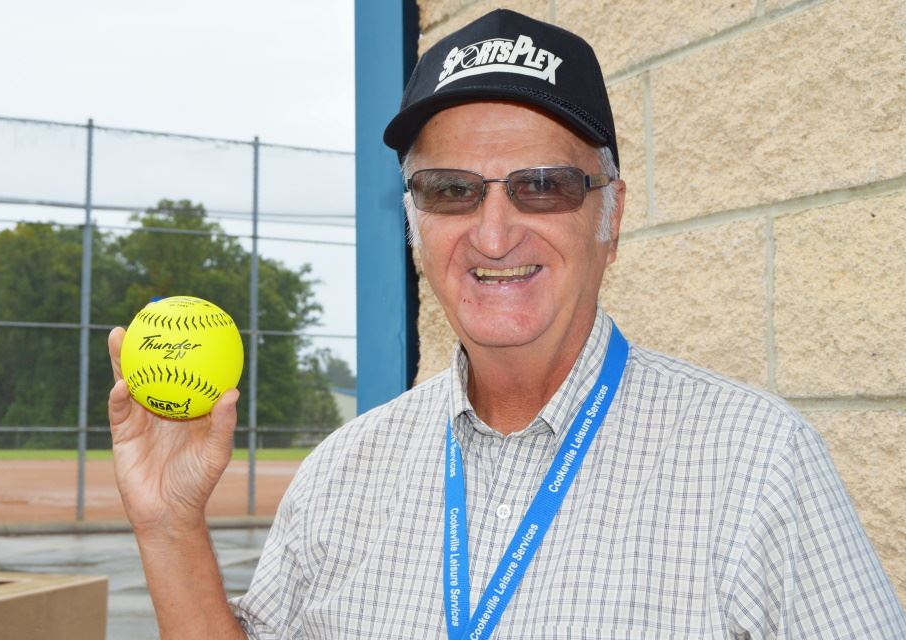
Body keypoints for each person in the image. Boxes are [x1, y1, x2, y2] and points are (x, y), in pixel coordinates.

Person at [107, 9, 906, 639]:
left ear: (611, 217)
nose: (492, 234)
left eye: (545, 186)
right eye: (451, 189)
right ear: (415, 224)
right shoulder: (341, 473)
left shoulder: (758, 464)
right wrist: (171, 525)